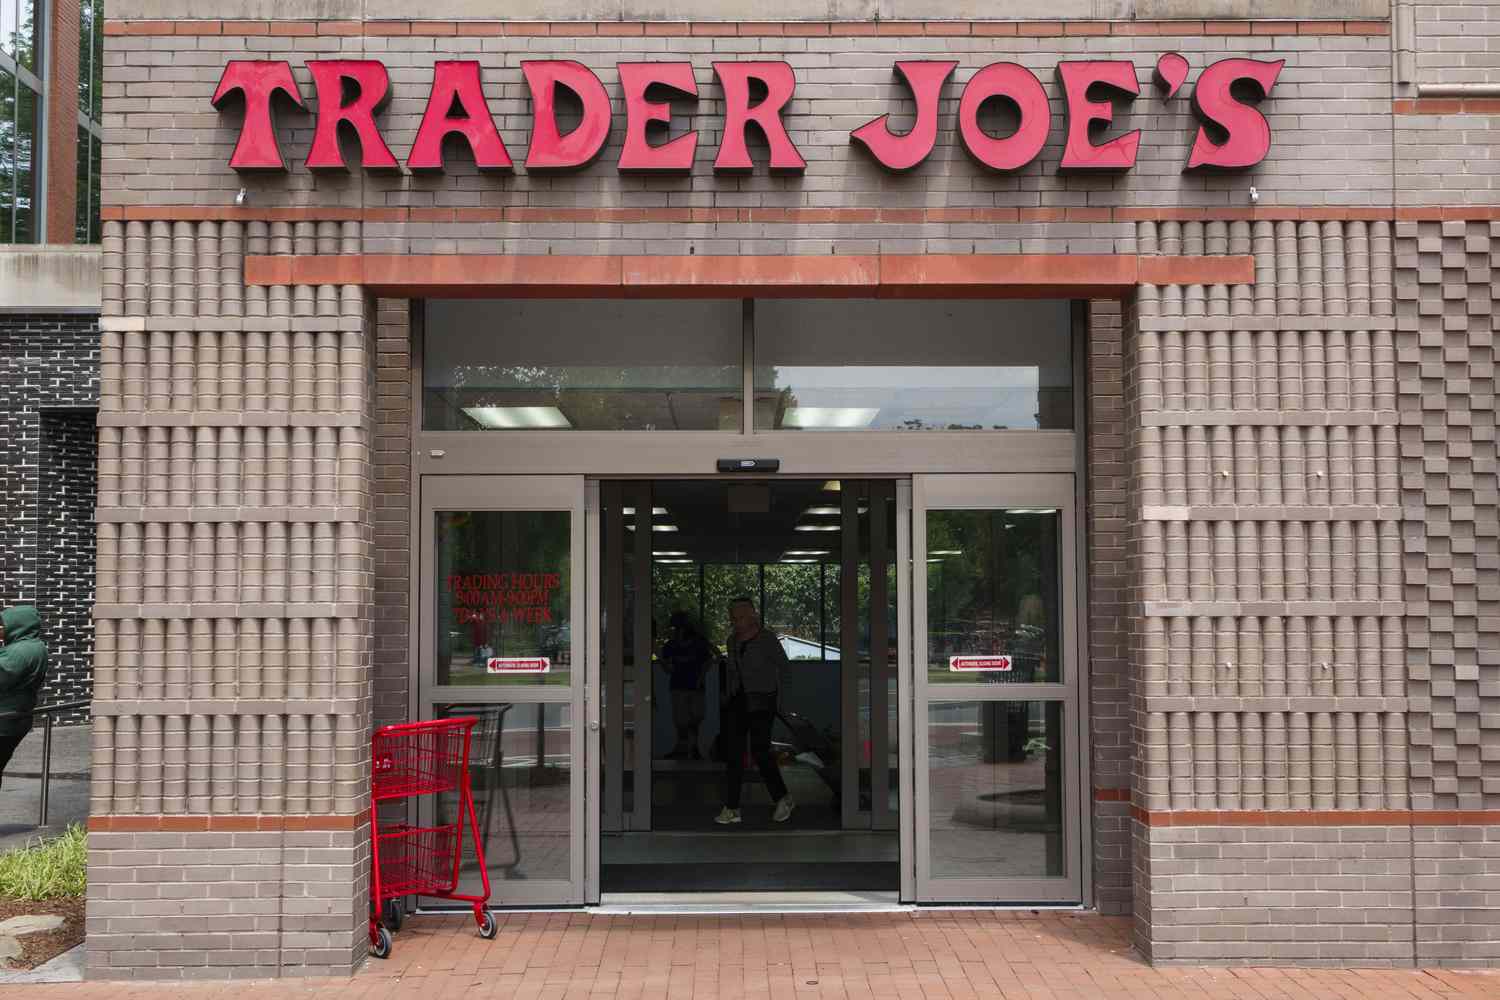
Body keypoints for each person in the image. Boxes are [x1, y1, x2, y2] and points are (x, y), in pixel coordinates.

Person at [715, 597, 794, 825]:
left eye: (741, 617)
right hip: (738, 701)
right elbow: (732, 672)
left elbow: (785, 670)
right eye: (733, 617)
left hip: (763, 701)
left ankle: (783, 798)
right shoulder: (732, 641)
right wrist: (728, 694)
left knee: (760, 752)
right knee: (734, 753)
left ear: (752, 616)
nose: (737, 622)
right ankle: (732, 807)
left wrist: (783, 702)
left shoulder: (767, 639)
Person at [0, 606, 49, 791]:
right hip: (15, 718)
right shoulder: (34, 646)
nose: (1, 629)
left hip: (5, 720)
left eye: (3, 625)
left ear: (18, 625)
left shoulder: (19, 652)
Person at [659, 610, 713, 759]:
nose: (675, 630)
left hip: (694, 686)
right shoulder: (671, 644)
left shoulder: (699, 642)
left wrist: (701, 677)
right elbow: (666, 667)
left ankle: (691, 748)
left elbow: (709, 660)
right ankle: (683, 749)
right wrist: (665, 663)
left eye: (677, 627)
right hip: (679, 686)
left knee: (696, 718)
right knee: (681, 721)